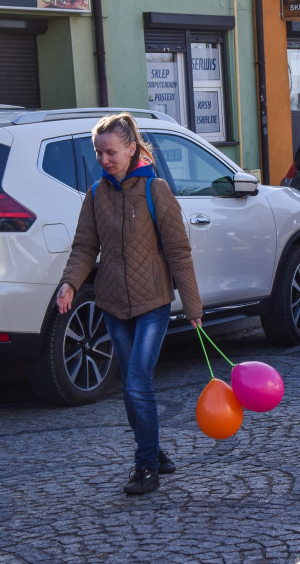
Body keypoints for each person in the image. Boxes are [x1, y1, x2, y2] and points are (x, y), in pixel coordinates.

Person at [57, 112, 202, 495]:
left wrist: (194, 307)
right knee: (130, 388)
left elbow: (179, 252)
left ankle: (145, 468)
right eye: (98, 153)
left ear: (131, 149)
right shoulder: (95, 196)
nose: (104, 160)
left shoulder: (157, 192)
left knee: (138, 383)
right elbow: (85, 247)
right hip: (113, 305)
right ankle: (153, 451)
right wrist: (69, 283)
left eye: (110, 152)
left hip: (153, 302)